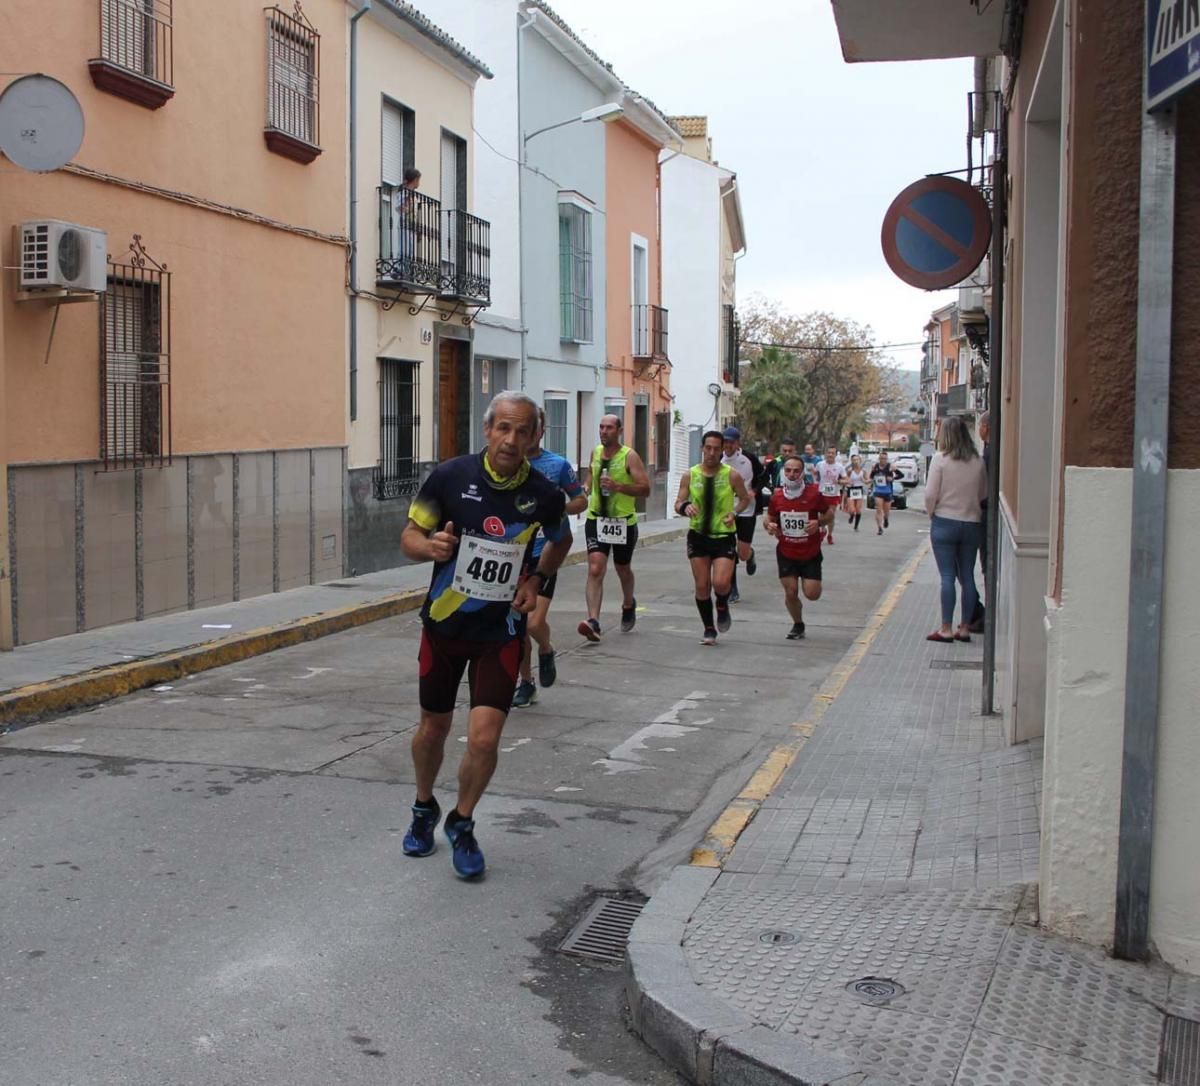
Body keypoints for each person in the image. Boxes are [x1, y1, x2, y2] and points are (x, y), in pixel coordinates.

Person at [399, 391, 571, 879]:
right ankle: (423, 806)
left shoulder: (544, 493)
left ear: (536, 437)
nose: (511, 440)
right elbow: (408, 536)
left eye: (523, 431)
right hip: (445, 628)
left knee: (485, 737)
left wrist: (536, 580)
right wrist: (430, 546)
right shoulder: (451, 477)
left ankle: (463, 820)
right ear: (488, 430)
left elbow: (562, 540)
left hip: (501, 632)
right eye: (503, 429)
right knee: (433, 728)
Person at [511, 409, 588, 709]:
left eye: (532, 428)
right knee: (516, 626)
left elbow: (581, 499)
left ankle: (545, 647)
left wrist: (557, 508)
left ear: (541, 432)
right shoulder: (507, 463)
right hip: (512, 553)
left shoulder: (557, 466)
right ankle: (525, 683)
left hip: (545, 552)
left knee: (532, 623)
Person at [577, 415, 651, 642]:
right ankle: (593, 621)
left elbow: (645, 489)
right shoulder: (596, 452)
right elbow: (591, 473)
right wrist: (586, 488)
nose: (603, 431)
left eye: (609, 427)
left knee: (622, 568)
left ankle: (628, 603)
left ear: (619, 430)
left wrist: (618, 486)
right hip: (596, 518)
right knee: (596, 568)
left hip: (622, 522)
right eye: (601, 427)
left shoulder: (629, 456)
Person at [676, 430, 752, 645]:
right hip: (698, 536)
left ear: (722, 450)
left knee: (720, 583)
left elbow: (745, 499)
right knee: (702, 585)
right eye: (708, 448)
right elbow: (678, 502)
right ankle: (709, 628)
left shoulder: (731, 475)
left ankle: (721, 603)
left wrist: (734, 512)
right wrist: (685, 507)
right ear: (702, 448)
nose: (711, 453)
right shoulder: (690, 475)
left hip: (723, 536)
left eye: (716, 449)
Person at [924, 415, 987, 644]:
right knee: (968, 577)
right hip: (971, 523)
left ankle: (946, 628)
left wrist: (933, 512)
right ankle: (965, 628)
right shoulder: (978, 461)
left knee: (947, 576)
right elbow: (983, 494)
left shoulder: (940, 459)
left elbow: (931, 494)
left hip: (944, 522)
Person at [764, 455, 837, 639]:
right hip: (786, 552)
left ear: (802, 473)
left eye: (796, 470)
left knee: (812, 594)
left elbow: (829, 514)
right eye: (788, 470)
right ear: (783, 472)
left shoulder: (813, 494)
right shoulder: (777, 496)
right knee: (791, 591)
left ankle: (800, 606)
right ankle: (798, 624)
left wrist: (818, 523)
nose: (792, 474)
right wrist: (770, 526)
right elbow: (769, 519)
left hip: (810, 552)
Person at [720, 426, 764, 603]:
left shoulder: (749, 458)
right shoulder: (718, 458)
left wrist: (754, 490)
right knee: (729, 550)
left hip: (747, 509)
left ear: (738, 443)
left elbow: (763, 476)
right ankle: (732, 589)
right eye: (726, 442)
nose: (728, 445)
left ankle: (750, 555)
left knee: (742, 552)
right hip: (725, 511)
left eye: (731, 442)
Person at [969, 411, 990, 633]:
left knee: (985, 567)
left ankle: (982, 614)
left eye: (981, 426)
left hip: (984, 518)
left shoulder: (986, 458)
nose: (979, 430)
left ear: (985, 428)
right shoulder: (988, 453)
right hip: (982, 517)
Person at [813, 446, 847, 545]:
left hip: (833, 494)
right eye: (829, 453)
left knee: (831, 515)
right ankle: (823, 530)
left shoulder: (840, 466)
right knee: (822, 515)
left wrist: (839, 481)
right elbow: (815, 473)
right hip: (822, 493)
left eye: (832, 453)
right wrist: (815, 482)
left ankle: (830, 534)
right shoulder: (820, 464)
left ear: (835, 455)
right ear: (825, 454)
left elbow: (846, 480)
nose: (830, 455)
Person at [868, 450, 898, 535]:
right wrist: (868, 481)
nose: (883, 460)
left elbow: (900, 475)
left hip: (887, 491)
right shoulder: (875, 467)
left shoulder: (890, 467)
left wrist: (892, 479)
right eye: (881, 458)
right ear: (879, 459)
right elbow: (871, 477)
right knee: (878, 509)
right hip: (878, 491)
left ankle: (886, 519)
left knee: (886, 511)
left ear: (887, 459)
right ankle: (879, 528)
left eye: (885, 458)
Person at [845, 454, 868, 531]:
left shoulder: (863, 471)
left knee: (858, 510)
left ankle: (856, 526)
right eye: (854, 460)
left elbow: (868, 481)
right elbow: (846, 480)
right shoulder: (850, 471)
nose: (856, 461)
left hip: (859, 490)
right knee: (852, 509)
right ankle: (851, 515)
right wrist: (849, 481)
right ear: (852, 461)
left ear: (860, 461)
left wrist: (864, 480)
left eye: (857, 460)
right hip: (851, 490)